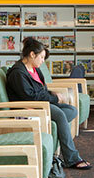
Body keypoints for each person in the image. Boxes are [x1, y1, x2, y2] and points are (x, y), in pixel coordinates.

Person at [7, 37, 88, 170]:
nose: (43, 61)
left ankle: (53, 127)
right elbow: (30, 97)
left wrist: (52, 94)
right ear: (32, 54)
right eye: (41, 57)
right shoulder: (18, 73)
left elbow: (41, 90)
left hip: (41, 103)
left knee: (72, 110)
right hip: (29, 107)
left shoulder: (35, 69)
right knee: (61, 116)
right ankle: (72, 158)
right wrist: (54, 98)